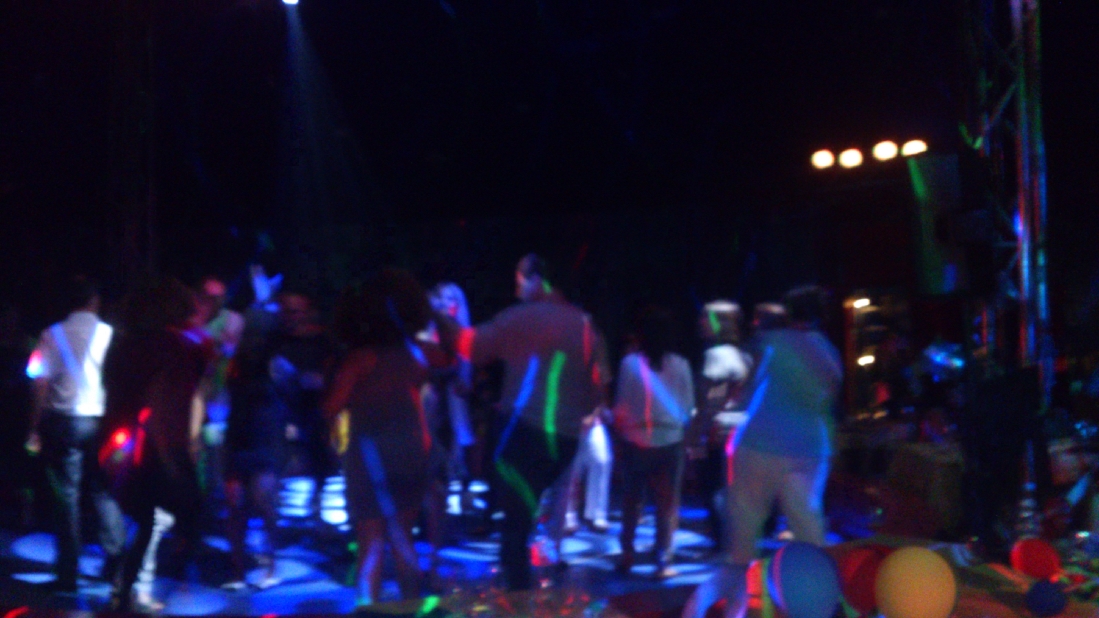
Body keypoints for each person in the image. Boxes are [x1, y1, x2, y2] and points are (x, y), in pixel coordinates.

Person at [457, 254, 611, 590]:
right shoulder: (585, 324)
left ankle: (517, 593)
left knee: (516, 524)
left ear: (538, 281)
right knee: (539, 506)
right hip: (565, 438)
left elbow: (471, 346)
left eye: (519, 280)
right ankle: (537, 564)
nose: (516, 289)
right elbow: (596, 389)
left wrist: (435, 320)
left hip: (526, 433)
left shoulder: (521, 318)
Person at [323, 268, 456, 606]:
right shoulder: (419, 352)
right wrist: (432, 314)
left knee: (371, 544)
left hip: (370, 457)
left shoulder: (361, 359)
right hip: (412, 453)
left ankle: (368, 610)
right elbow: (454, 352)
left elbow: (330, 407)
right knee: (403, 538)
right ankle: (412, 607)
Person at [99, 276, 213, 611]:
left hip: (119, 441)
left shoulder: (124, 345)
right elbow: (163, 400)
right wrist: (171, 454)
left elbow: (113, 390)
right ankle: (140, 585)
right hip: (156, 445)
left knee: (144, 519)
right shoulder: (177, 348)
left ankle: (123, 589)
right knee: (188, 517)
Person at [726, 286, 843, 566]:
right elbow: (831, 395)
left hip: (761, 444)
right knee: (808, 522)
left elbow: (743, 387)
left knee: (746, 519)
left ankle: (742, 584)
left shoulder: (770, 342)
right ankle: (816, 581)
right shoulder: (829, 351)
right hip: (812, 447)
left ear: (788, 312)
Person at [24, 275, 126, 593]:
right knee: (103, 490)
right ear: (95, 302)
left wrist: (33, 428)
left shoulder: (51, 334)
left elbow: (39, 381)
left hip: (63, 421)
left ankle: (68, 571)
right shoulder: (110, 334)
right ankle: (116, 564)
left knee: (67, 495)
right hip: (100, 420)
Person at [612, 305, 695, 578]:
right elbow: (687, 406)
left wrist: (620, 437)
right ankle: (663, 560)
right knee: (666, 504)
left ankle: (627, 553)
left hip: (635, 439)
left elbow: (621, 405)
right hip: (670, 440)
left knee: (631, 500)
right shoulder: (681, 364)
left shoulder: (629, 364)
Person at [222, 265, 286, 590]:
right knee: (238, 503)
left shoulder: (272, 359)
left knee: (261, 500)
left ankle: (269, 565)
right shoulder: (235, 358)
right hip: (241, 432)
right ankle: (239, 570)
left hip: (261, 434)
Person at [687, 300, 753, 552]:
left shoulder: (715, 356)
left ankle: (724, 544)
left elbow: (710, 402)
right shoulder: (744, 356)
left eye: (707, 317)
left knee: (713, 488)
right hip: (742, 432)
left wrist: (694, 436)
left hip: (718, 432)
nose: (701, 322)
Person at [269, 289, 338, 517]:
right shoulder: (273, 340)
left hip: (314, 407)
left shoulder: (322, 339)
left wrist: (321, 380)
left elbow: (335, 369)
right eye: (286, 311)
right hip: (279, 407)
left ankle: (317, 499)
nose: (292, 317)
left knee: (319, 453)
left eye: (296, 311)